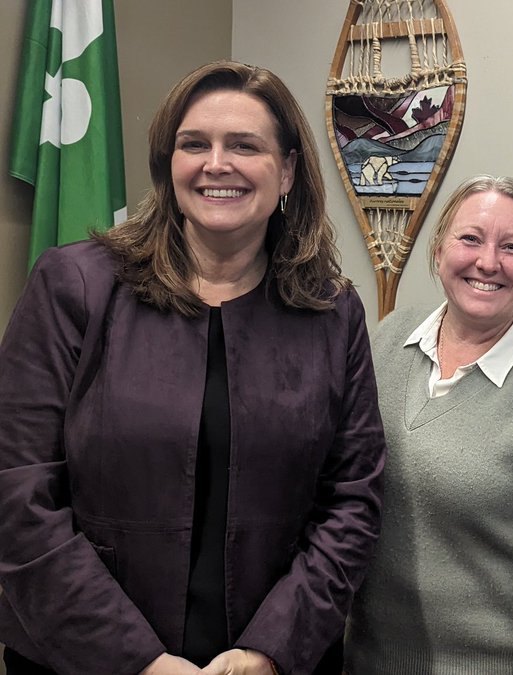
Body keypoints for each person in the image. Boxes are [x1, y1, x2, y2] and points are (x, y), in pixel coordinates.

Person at [0, 61, 387, 674]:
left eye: (244, 146)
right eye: (193, 144)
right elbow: (18, 494)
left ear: (286, 170)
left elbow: (353, 500)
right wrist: (140, 662)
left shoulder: (331, 312)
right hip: (81, 655)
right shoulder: (74, 285)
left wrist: (271, 650)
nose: (216, 164)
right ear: (168, 163)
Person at [344, 175, 513, 675]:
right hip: (363, 659)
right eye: (470, 239)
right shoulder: (387, 340)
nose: (489, 262)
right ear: (439, 247)